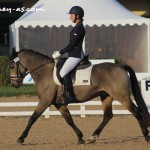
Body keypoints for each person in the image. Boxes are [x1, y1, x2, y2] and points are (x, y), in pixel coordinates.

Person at [52, 6, 85, 104]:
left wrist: (60, 53)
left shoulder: (79, 28)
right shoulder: (77, 27)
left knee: (63, 72)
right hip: (73, 55)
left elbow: (72, 45)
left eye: (71, 15)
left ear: (77, 16)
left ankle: (70, 96)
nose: (70, 17)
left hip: (76, 55)